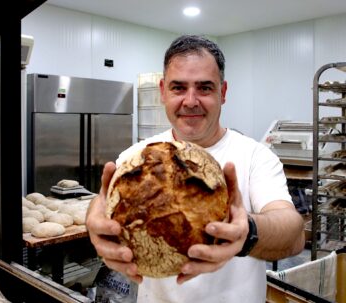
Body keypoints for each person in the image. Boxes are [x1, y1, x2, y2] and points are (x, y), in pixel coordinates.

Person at [85, 34, 305, 302]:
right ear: (163, 91)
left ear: (222, 93)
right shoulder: (135, 158)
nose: (191, 101)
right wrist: (93, 220)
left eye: (204, 88)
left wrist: (246, 231)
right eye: (179, 88)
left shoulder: (255, 156)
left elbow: (294, 236)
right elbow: (102, 207)